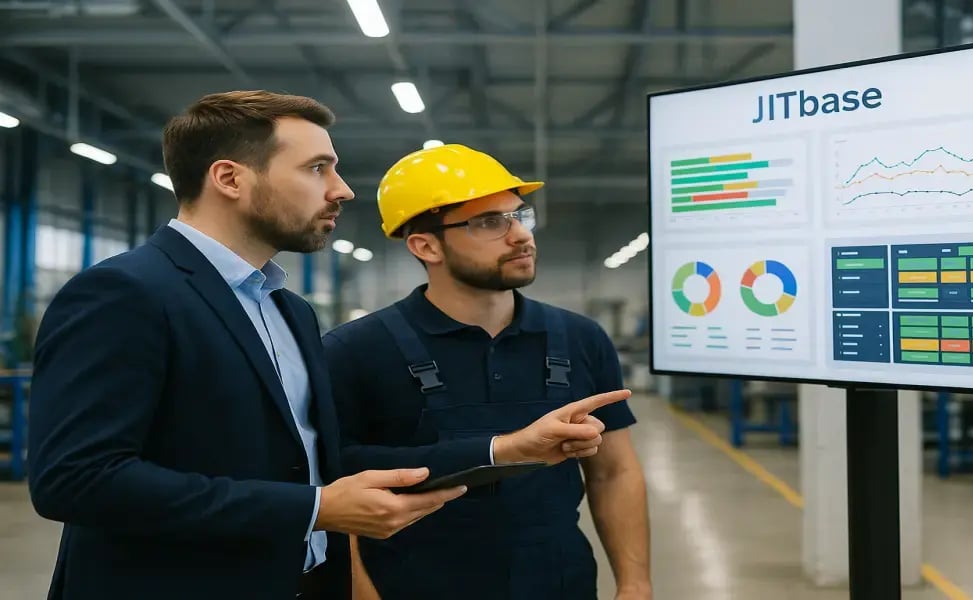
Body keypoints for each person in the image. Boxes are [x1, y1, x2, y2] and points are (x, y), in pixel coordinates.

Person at [26, 90, 467, 600]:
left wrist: (505, 449)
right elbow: (77, 479)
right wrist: (314, 509)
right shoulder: (125, 293)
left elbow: (304, 459)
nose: (342, 190)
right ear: (230, 178)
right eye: (317, 168)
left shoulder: (289, 309)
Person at [322, 143, 652, 600]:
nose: (520, 236)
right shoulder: (354, 350)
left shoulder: (580, 338)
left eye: (520, 216)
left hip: (559, 581)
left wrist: (636, 585)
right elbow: (336, 492)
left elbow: (613, 472)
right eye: (490, 223)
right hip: (414, 584)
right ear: (425, 245)